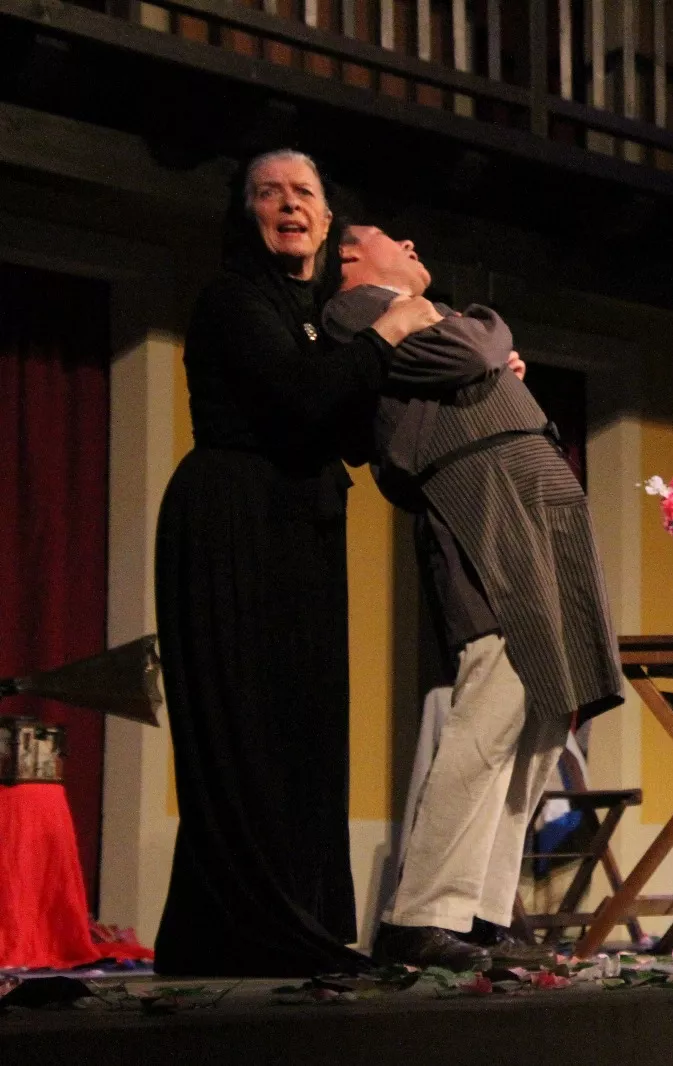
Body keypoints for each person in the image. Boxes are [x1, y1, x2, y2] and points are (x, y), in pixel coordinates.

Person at [154, 151, 442, 976]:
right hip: (232, 522)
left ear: (324, 216)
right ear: (247, 213)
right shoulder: (234, 299)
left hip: (301, 523)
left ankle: (300, 921)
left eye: (304, 193)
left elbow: (352, 423)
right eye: (269, 193)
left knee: (306, 728)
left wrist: (475, 369)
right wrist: (390, 329)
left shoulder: (317, 316)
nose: (289, 204)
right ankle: (245, 930)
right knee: (248, 728)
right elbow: (298, 397)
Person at [322, 225, 624, 971]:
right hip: (480, 496)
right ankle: (420, 913)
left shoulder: (428, 314)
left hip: (530, 489)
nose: (411, 240)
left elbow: (474, 355)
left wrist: (478, 341)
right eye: (386, 237)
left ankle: (485, 912)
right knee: (498, 694)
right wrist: (484, 331)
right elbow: (471, 349)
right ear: (353, 262)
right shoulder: (354, 312)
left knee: (546, 707)